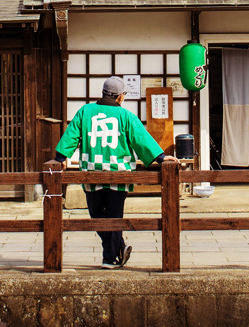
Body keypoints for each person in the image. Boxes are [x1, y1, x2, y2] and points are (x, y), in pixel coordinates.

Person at [54, 76, 179, 269]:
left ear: (104, 94)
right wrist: (161, 157)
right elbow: (141, 139)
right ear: (120, 97)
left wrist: (61, 158)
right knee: (113, 215)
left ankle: (110, 258)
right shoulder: (126, 116)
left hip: (91, 172)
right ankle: (118, 248)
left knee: (96, 215)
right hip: (119, 173)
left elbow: (72, 135)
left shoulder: (85, 112)